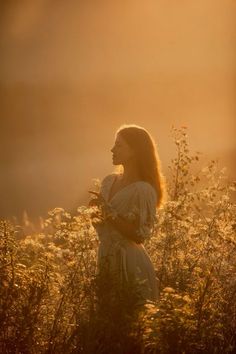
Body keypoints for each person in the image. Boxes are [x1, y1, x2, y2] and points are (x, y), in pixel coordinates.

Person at [89, 124, 166, 304]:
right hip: (105, 258)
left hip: (130, 263)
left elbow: (138, 235)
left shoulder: (143, 190)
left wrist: (107, 211)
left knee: (129, 319)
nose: (112, 149)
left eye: (119, 145)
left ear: (134, 151)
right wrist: (95, 212)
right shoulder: (109, 181)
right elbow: (103, 227)